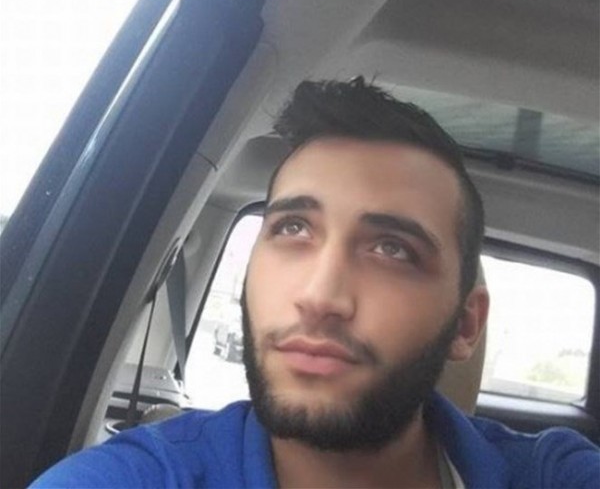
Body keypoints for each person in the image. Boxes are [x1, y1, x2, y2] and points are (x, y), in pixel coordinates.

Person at [31, 78, 599, 488]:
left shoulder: (553, 475)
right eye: (293, 228)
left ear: (466, 325)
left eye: (392, 249)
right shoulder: (143, 476)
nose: (319, 297)